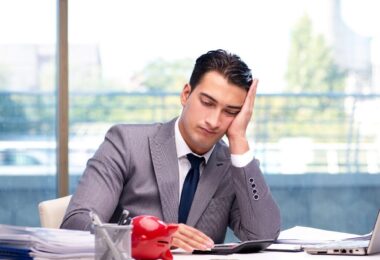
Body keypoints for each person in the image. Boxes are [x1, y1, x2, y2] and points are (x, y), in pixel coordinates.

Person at [61, 49, 281, 252]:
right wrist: (149, 237)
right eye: (207, 102)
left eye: (230, 111)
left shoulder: (235, 166)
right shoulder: (125, 143)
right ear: (186, 94)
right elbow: (75, 227)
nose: (214, 121)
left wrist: (238, 138)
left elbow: (263, 235)